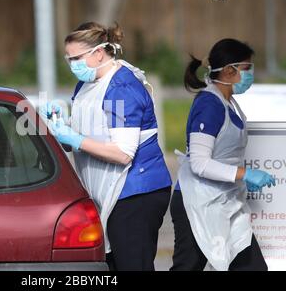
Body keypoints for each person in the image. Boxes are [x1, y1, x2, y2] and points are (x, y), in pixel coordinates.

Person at [41, 22, 172, 271]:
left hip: (136, 193)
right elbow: (91, 136)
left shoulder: (122, 88)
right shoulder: (86, 85)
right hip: (108, 192)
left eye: (76, 58)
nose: (72, 65)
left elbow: (123, 153)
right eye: (68, 59)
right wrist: (63, 126)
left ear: (99, 52)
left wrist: (75, 139)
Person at [170, 38, 275, 271]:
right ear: (230, 71)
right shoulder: (210, 105)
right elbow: (199, 163)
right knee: (188, 267)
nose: (250, 75)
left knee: (252, 267)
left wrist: (241, 178)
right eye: (247, 68)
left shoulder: (230, 103)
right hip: (195, 203)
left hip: (226, 202)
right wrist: (244, 173)